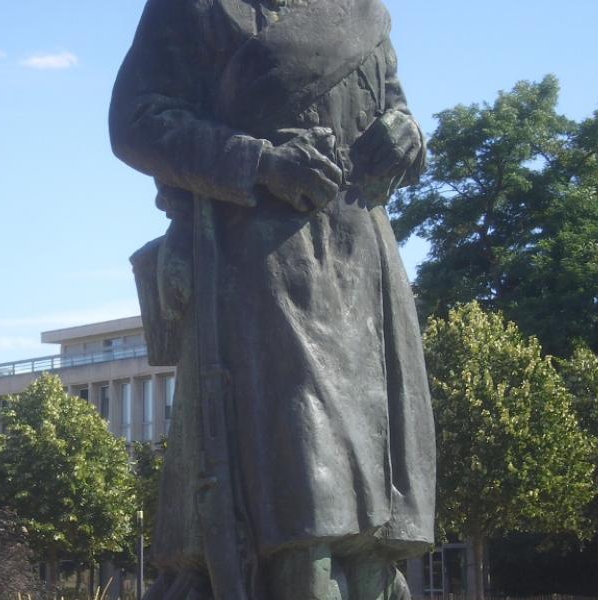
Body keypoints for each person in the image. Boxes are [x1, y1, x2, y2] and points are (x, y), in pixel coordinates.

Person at [109, 1, 435, 599]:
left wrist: (407, 136)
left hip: (361, 259)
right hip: (254, 261)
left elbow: (394, 106)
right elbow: (136, 121)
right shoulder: (195, 7)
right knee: (301, 495)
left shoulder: (361, 10)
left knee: (374, 527)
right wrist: (258, 162)